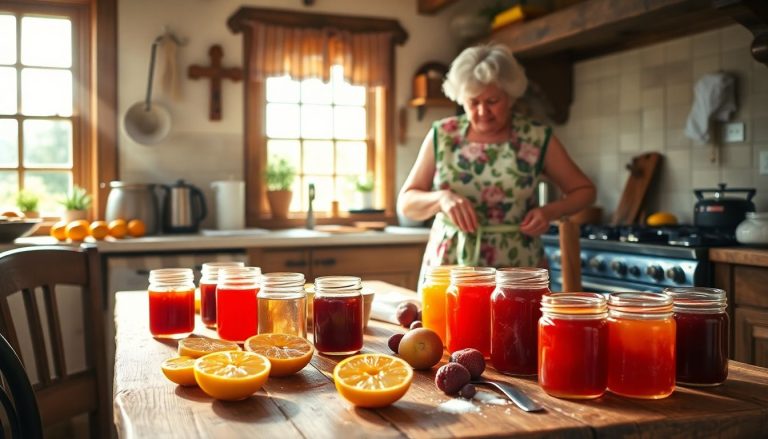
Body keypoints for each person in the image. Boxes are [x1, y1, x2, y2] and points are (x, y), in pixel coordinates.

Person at [398, 44, 595, 271]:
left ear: (510, 97)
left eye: (492, 101)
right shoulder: (443, 135)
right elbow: (406, 204)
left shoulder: (535, 137)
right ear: (461, 98)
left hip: (517, 266)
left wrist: (549, 212)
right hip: (452, 266)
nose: (483, 111)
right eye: (473, 102)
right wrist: (441, 199)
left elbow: (584, 191)